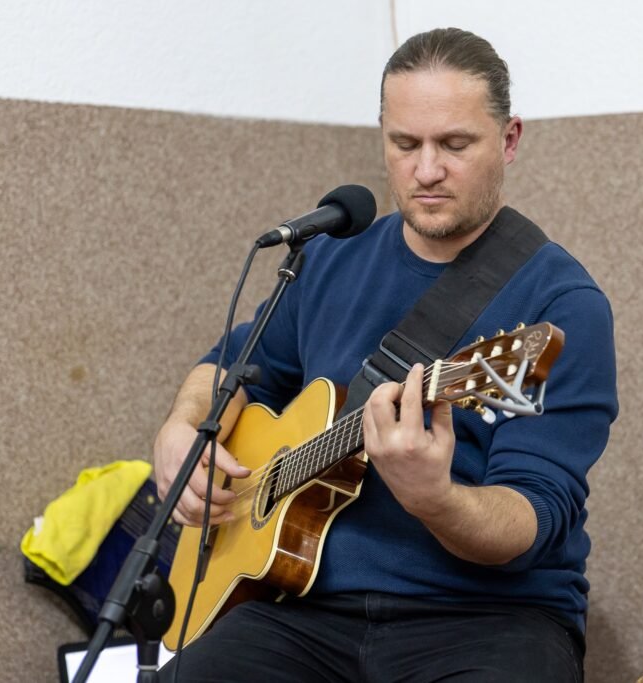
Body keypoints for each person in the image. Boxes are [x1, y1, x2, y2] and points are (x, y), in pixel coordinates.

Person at [154, 27, 617, 682]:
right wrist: (182, 428)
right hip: (304, 607)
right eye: (405, 144)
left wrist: (436, 499)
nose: (426, 171)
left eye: (454, 144)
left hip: (488, 618)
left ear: (509, 140)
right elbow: (233, 369)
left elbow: (531, 517)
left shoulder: (560, 306)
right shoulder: (327, 259)